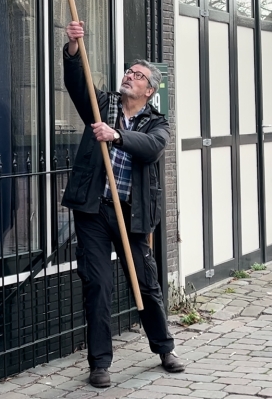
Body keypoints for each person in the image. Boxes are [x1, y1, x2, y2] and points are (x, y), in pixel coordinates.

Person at [61, 20, 185, 388]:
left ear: (149, 90)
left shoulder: (157, 123)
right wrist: (72, 48)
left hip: (131, 215)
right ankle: (99, 363)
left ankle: (165, 348)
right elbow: (76, 84)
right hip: (94, 210)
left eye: (138, 74)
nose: (129, 76)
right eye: (129, 71)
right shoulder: (103, 105)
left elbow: (151, 149)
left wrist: (117, 136)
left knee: (146, 284)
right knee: (97, 284)